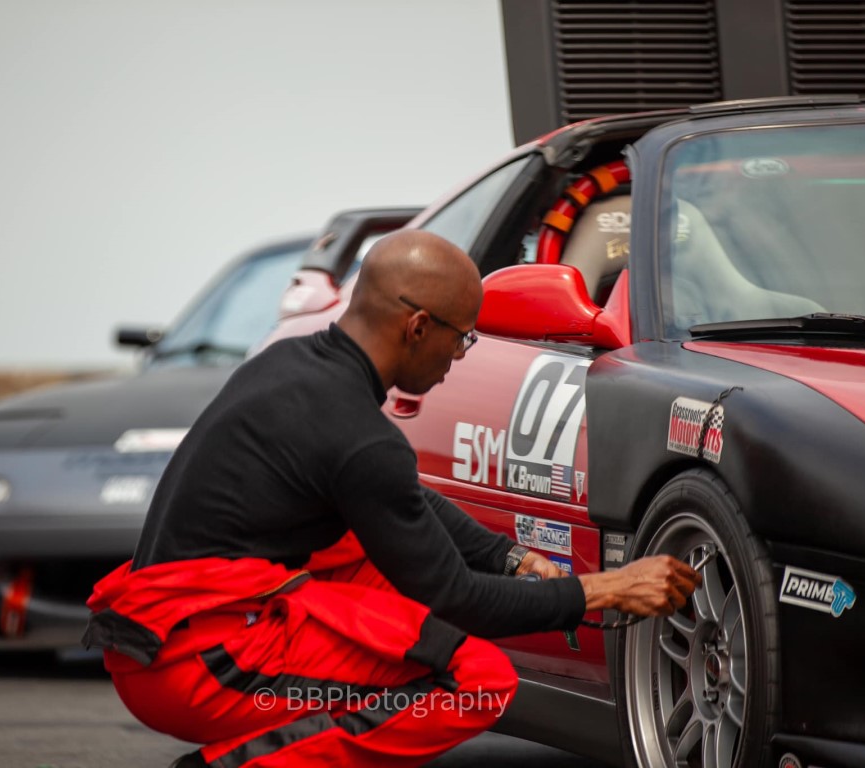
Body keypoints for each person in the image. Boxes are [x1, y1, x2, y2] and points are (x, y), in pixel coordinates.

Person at [83, 230, 701, 768]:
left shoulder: (292, 365)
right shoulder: (356, 435)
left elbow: (406, 500)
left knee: (377, 566)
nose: (458, 356)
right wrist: (607, 588)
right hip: (196, 666)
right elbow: (461, 599)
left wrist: (506, 556)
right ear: (418, 327)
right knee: (478, 683)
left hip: (166, 633)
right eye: (462, 338)